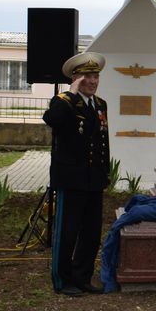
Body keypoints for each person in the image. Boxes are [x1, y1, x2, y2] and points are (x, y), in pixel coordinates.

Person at [42, 53, 110, 297]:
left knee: (91, 233)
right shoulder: (63, 101)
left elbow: (103, 141)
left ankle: (83, 277)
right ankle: (62, 279)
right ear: (77, 78)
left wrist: (105, 172)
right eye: (87, 77)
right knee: (67, 231)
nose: (93, 81)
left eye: (96, 76)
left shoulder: (100, 105)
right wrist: (71, 93)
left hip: (93, 179)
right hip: (71, 179)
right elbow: (52, 120)